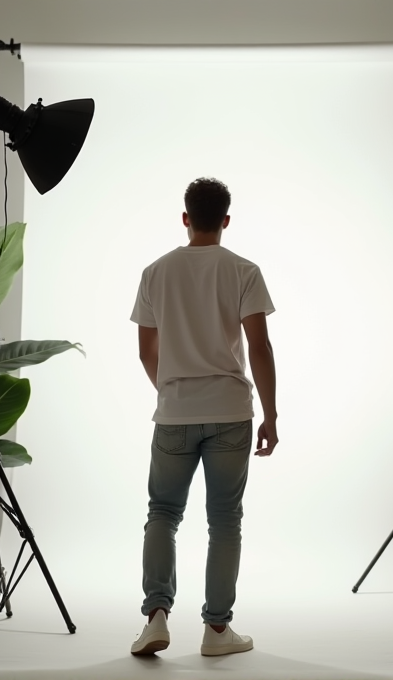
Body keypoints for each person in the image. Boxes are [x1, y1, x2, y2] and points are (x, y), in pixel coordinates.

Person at [129, 177, 278, 657]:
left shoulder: (156, 272)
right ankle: (217, 632)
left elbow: (146, 351)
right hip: (231, 412)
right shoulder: (244, 271)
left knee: (163, 514)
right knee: (225, 521)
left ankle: (155, 617)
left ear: (186, 218)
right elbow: (259, 346)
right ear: (226, 221)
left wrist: (173, 394)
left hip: (174, 413)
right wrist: (271, 414)